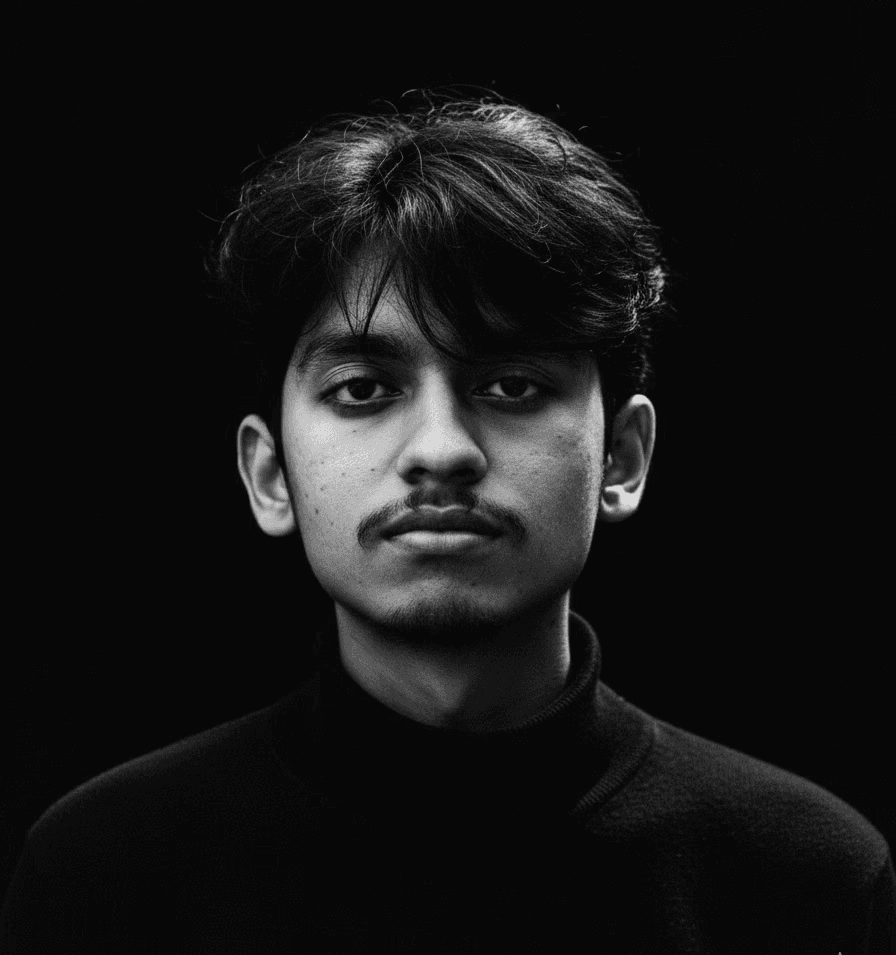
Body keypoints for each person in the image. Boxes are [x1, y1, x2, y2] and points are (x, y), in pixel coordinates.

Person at [2, 98, 893, 954]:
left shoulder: (804, 881)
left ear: (621, 457)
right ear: (270, 474)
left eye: (510, 384)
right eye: (364, 389)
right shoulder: (107, 873)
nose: (440, 450)